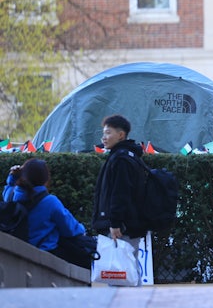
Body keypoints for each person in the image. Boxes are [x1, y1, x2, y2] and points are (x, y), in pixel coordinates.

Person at [4, 158, 94, 269]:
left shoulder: (11, 195)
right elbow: (69, 229)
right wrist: (82, 229)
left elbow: (8, 188)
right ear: (46, 179)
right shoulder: (50, 202)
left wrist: (13, 177)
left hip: (15, 253)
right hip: (45, 256)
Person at [92, 114, 147, 283]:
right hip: (129, 224)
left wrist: (115, 223)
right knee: (128, 272)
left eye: (108, 133)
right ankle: (133, 306)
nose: (104, 137)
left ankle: (125, 307)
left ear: (121, 135)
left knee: (121, 275)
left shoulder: (121, 159)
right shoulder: (128, 156)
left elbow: (119, 193)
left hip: (121, 228)